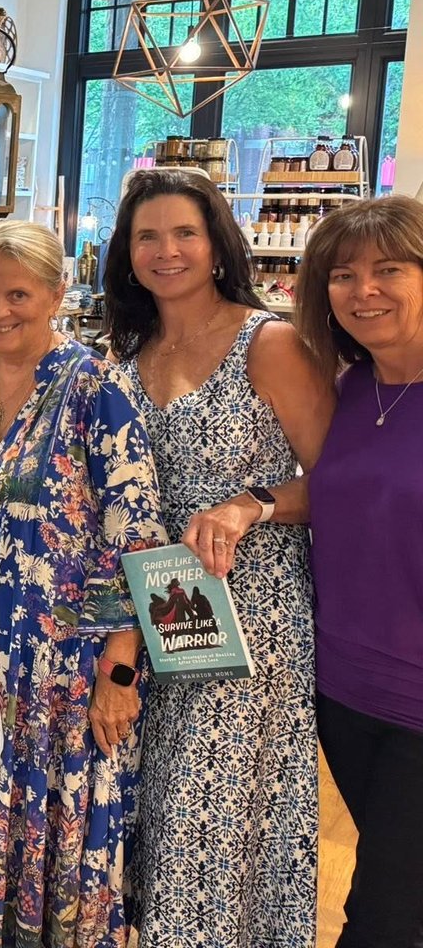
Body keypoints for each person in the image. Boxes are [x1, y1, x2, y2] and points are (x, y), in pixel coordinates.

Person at [0, 218, 164, 948]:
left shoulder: (96, 388)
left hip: (62, 674)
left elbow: (137, 539)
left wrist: (120, 670)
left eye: (18, 294)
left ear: (57, 294)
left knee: (56, 849)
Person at [102, 167, 331, 947]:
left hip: (249, 614)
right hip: (156, 611)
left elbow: (339, 482)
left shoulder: (268, 343)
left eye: (185, 233)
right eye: (148, 236)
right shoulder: (128, 353)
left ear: (218, 245)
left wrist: (249, 504)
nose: (166, 251)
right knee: (162, 809)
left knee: (217, 813)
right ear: (127, 253)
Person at [297, 195, 423, 947]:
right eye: (342, 275)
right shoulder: (347, 390)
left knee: (380, 921)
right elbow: (329, 494)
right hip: (344, 692)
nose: (363, 290)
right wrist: (253, 504)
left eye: (389, 269)